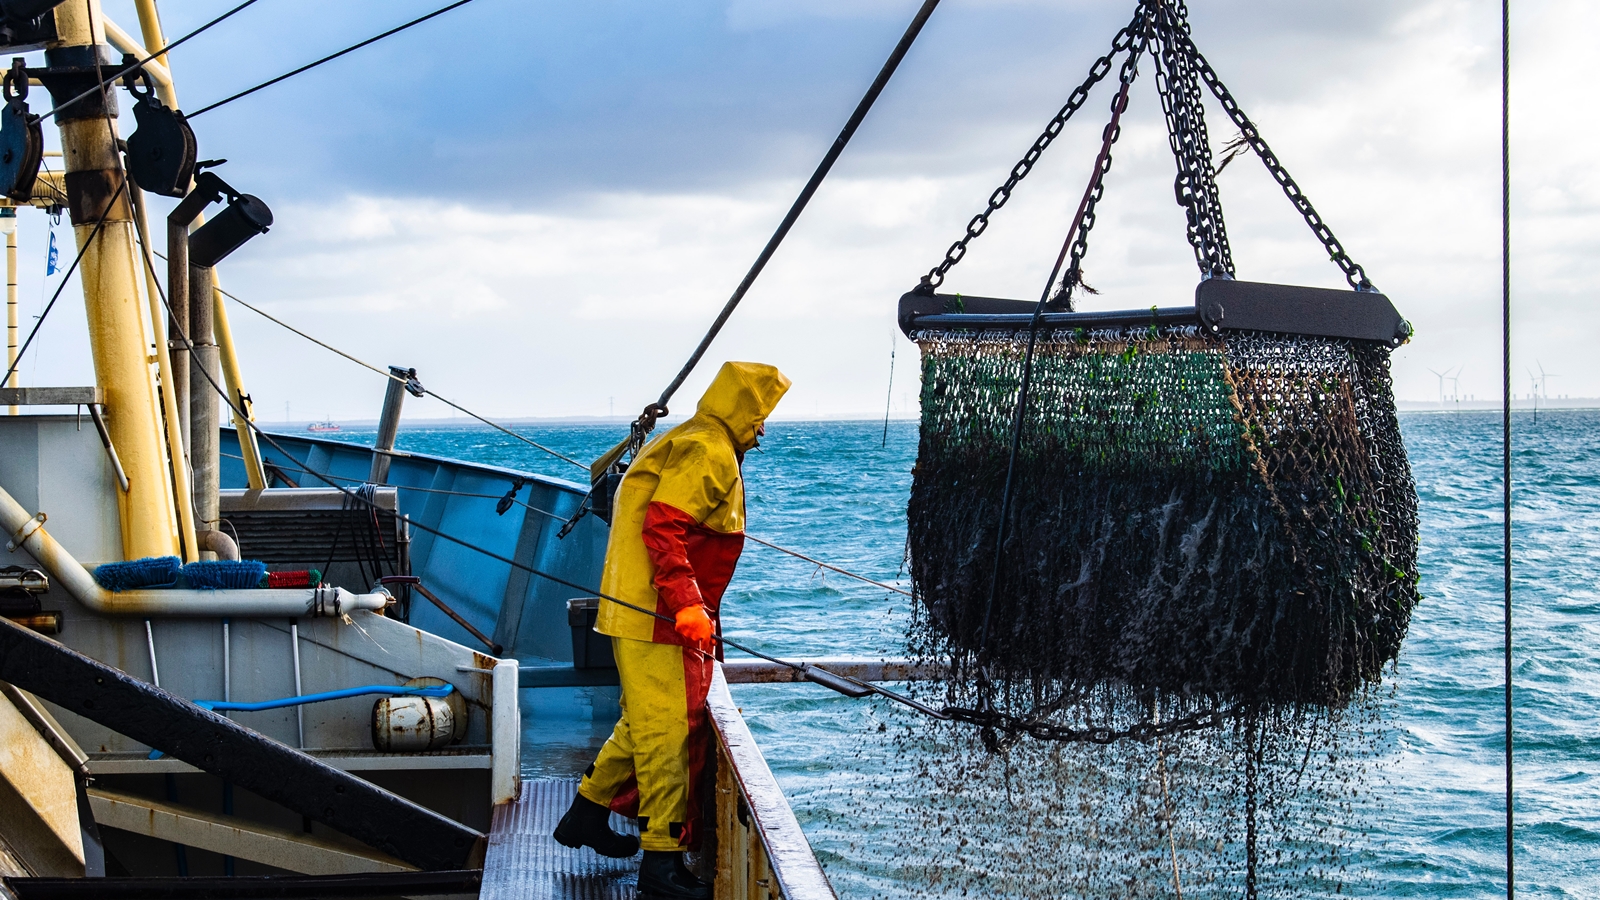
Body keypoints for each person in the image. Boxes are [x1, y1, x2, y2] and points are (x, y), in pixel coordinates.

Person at [554, 361, 790, 900]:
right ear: (742, 411)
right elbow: (663, 525)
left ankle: (586, 813)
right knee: (668, 732)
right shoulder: (709, 450)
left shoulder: (693, 437)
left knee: (645, 721)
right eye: (759, 418)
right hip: (656, 615)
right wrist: (686, 604)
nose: (761, 430)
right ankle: (661, 862)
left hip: (637, 609)